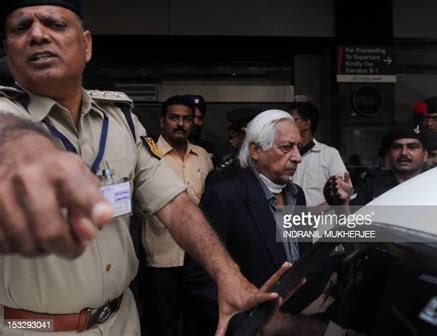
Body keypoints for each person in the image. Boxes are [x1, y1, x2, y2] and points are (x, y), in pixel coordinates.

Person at [0, 2, 281, 335]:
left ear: (86, 45)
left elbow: (174, 204)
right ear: (7, 51)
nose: (36, 35)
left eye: (55, 24)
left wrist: (228, 277)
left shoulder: (119, 121)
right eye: (20, 28)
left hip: (122, 321)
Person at [183, 110, 331, 336]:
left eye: (298, 148)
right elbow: (200, 280)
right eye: (286, 147)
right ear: (255, 150)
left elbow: (300, 257)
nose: (298, 157)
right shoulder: (224, 197)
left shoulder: (296, 194)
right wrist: (255, 324)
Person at [141, 95, 213, 336]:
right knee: (164, 326)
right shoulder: (147, 155)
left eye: (187, 119)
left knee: (198, 322)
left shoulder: (202, 155)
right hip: (162, 259)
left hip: (198, 258)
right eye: (174, 118)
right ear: (163, 120)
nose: (181, 124)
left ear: (194, 123)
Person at [325, 123, 428, 206]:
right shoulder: (370, 185)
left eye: (412, 147)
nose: (404, 153)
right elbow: (352, 224)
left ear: (425, 155)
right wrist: (344, 202)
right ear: (389, 154)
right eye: (397, 147)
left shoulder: (436, 183)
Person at [289, 102, 346, 209]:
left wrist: (312, 213)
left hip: (321, 224)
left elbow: (343, 193)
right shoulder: (285, 155)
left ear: (306, 123)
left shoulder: (329, 154)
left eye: (292, 120)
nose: (288, 124)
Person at [205, 108, 260, 187]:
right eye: (251, 133)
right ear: (235, 135)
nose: (258, 138)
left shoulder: (271, 166)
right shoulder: (222, 175)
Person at [184, 94, 220, 166]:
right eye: (193, 117)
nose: (196, 122)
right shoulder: (171, 147)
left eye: (200, 118)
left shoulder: (208, 148)